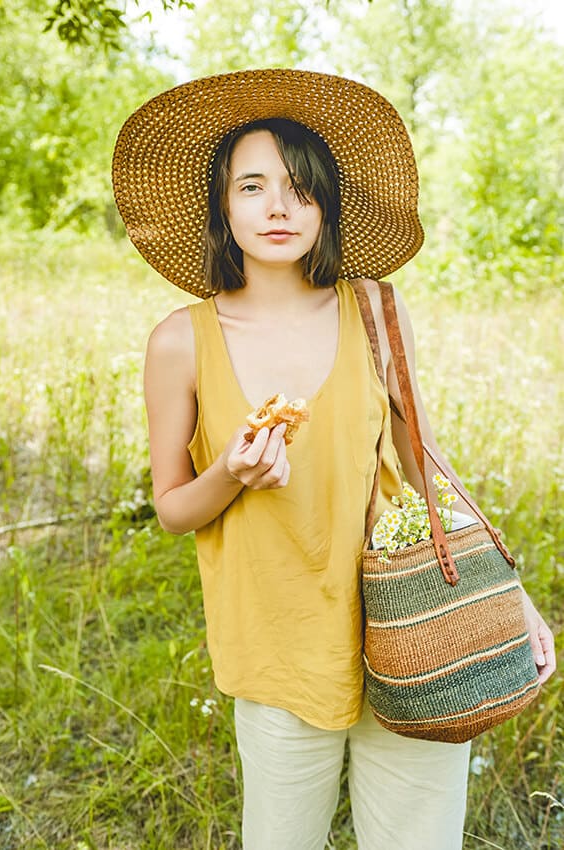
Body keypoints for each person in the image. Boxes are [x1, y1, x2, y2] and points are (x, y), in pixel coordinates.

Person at [112, 69, 555, 850]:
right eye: (252, 187)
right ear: (223, 206)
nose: (278, 207)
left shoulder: (376, 306)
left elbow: (424, 460)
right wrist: (233, 474)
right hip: (278, 652)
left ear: (326, 206)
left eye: (300, 187)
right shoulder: (182, 340)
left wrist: (507, 593)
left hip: (415, 632)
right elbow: (175, 508)